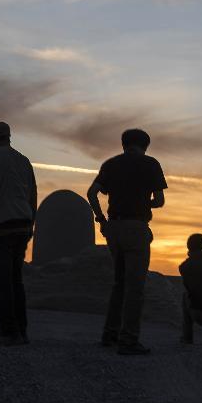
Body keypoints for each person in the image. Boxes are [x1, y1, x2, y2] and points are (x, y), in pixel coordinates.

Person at [87, 129, 167, 355]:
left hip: (114, 227)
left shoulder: (111, 164)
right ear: (146, 146)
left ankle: (110, 334)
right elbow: (159, 201)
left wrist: (101, 220)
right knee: (135, 287)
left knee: (119, 283)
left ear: (123, 145)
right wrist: (142, 201)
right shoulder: (151, 164)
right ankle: (129, 340)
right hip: (136, 227)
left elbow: (92, 193)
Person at [0, 121, 37, 347]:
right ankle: (21, 331)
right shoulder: (24, 160)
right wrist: (31, 224)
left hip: (0, 225)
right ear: (9, 137)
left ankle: (8, 332)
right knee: (15, 280)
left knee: (1, 282)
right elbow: (33, 195)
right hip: (23, 224)